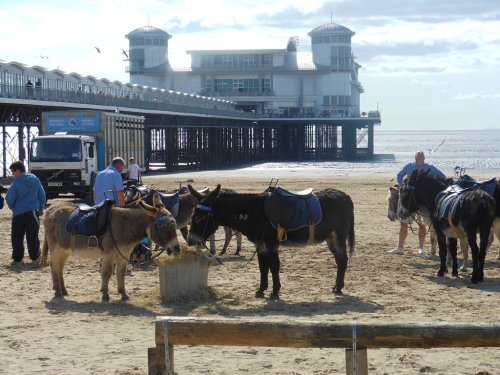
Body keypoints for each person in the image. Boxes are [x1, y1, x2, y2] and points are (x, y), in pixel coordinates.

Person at [388, 150, 446, 255]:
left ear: (424, 158)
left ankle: (421, 248)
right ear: (415, 157)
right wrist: (403, 186)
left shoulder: (430, 167)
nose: (420, 156)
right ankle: (400, 247)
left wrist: (431, 183)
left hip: (422, 201)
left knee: (422, 224)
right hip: (409, 200)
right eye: (418, 155)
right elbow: (399, 175)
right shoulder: (409, 166)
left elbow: (442, 176)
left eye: (422, 155)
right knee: (404, 223)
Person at [5, 161, 46, 263]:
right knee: (33, 236)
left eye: (13, 172)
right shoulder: (34, 179)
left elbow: (9, 199)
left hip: (18, 214)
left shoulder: (16, 183)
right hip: (32, 212)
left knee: (17, 236)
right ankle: (35, 257)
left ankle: (18, 258)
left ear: (18, 170)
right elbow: (42, 194)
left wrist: (13, 208)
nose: (12, 174)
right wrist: (41, 208)